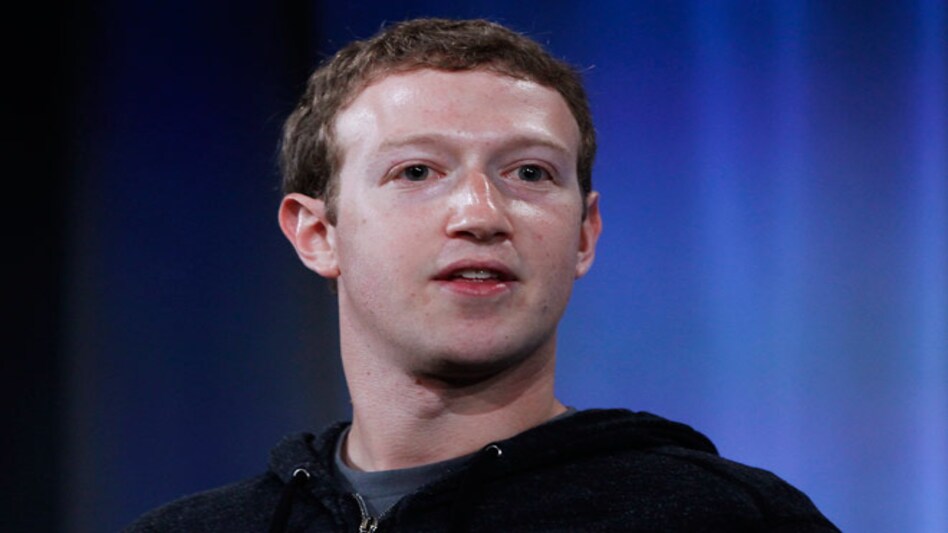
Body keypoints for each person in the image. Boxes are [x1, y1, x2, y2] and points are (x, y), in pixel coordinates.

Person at [126, 17, 838, 532]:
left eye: (529, 173)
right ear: (318, 234)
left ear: (584, 233)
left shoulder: (726, 517)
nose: (480, 213)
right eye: (417, 171)